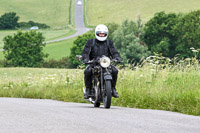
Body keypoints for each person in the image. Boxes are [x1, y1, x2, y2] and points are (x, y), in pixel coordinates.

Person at [81, 24, 122, 99]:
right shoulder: (91, 42)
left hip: (106, 63)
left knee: (115, 71)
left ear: (106, 34)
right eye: (100, 33)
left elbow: (114, 51)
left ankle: (112, 88)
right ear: (97, 33)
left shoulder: (109, 42)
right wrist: (85, 59)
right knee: (87, 71)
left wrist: (117, 57)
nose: (102, 35)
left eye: (103, 34)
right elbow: (85, 52)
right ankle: (88, 89)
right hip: (94, 62)